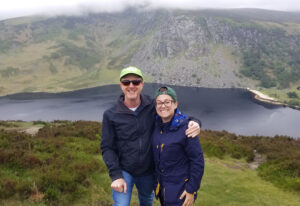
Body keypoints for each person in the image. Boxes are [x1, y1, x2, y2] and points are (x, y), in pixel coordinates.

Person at [100, 66, 201, 206]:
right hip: (124, 171)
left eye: (135, 82)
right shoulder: (111, 115)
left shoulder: (151, 105)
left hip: (148, 172)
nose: (131, 86)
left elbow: (173, 114)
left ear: (141, 84)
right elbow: (107, 147)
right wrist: (116, 176)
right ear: (121, 85)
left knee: (147, 202)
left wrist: (195, 122)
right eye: (126, 82)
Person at [152, 86, 204, 206]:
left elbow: (198, 161)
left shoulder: (187, 128)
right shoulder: (155, 125)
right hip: (162, 188)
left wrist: (191, 190)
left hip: (180, 190)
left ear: (175, 104)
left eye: (167, 102)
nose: (163, 106)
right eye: (159, 102)